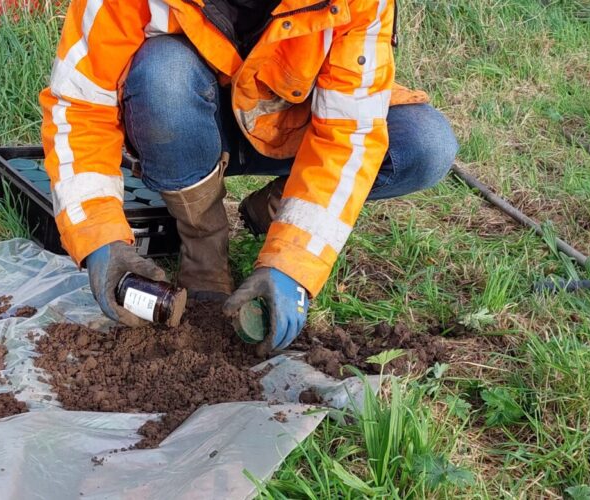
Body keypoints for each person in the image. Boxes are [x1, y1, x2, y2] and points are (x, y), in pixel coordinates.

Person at [40, 0, 458, 351]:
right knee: (163, 74)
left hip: (288, 126)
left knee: (423, 144)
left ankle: (273, 213)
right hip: (181, 121)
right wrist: (99, 238)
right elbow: (78, 107)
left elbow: (349, 134)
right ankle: (204, 253)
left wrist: (293, 263)